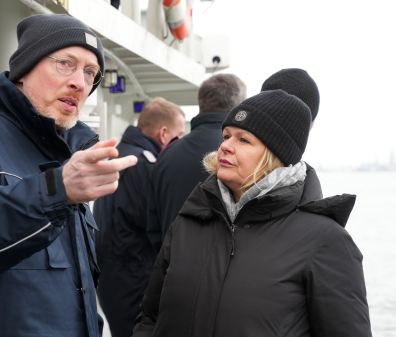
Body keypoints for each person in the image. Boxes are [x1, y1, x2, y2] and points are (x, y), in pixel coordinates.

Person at [0, 14, 137, 337]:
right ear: (24, 69)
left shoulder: (73, 155)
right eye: (65, 64)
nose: (80, 82)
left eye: (91, 73)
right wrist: (56, 190)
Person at [132, 89, 372, 337]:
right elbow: (150, 315)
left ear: (276, 157)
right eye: (226, 136)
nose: (225, 146)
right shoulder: (190, 220)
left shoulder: (325, 240)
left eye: (243, 140)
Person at [93, 97, 185, 337]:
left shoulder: (119, 155)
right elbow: (157, 225)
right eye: (179, 134)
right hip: (136, 276)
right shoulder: (145, 165)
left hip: (112, 275)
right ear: (164, 134)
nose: (181, 141)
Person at [146, 74, 247, 251]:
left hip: (171, 269)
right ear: (239, 107)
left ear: (201, 105)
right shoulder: (243, 154)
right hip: (224, 273)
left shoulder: (166, 154)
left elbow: (153, 227)